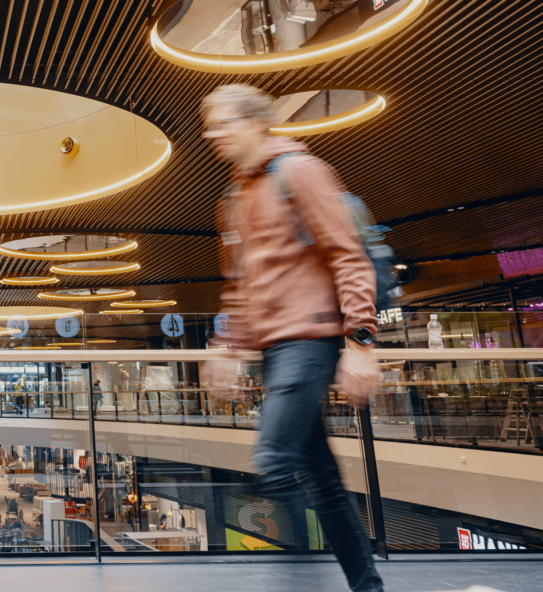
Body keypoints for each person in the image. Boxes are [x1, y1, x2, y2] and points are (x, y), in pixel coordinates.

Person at [202, 84, 383, 592]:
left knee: (273, 461)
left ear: (258, 122)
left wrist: (360, 345)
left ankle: (298, 580)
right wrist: (226, 345)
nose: (212, 133)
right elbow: (240, 284)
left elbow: (348, 256)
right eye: (209, 124)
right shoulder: (235, 197)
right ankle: (368, 587)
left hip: (309, 342)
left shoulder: (300, 172)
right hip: (271, 352)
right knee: (323, 483)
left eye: (224, 122)